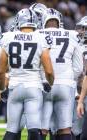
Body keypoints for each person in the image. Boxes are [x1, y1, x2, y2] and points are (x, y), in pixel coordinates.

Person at [0, 8, 54, 140]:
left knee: (11, 130)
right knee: (34, 129)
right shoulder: (41, 38)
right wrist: (49, 83)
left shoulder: (8, 37)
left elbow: (1, 71)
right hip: (34, 86)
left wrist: (2, 89)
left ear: (18, 21)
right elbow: (49, 71)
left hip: (15, 86)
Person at [40, 8, 83, 140]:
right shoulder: (72, 35)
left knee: (42, 128)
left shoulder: (37, 34)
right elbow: (78, 67)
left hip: (44, 84)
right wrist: (68, 77)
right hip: (66, 84)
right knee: (65, 128)